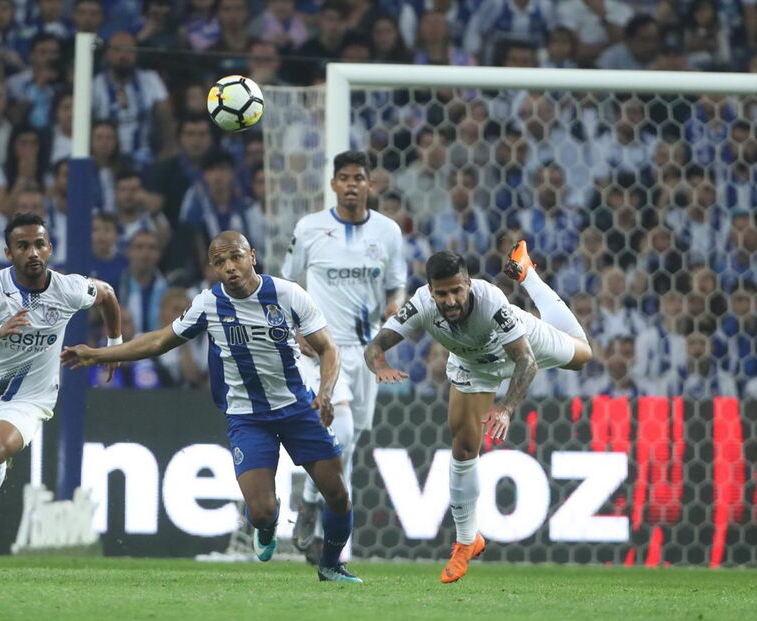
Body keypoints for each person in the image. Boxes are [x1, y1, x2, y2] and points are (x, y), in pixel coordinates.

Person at [61, 231, 362, 583]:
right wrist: (97, 354)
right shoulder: (209, 304)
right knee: (262, 512)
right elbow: (159, 341)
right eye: (220, 262)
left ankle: (330, 565)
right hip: (248, 418)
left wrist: (324, 393)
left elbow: (328, 348)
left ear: (251, 255)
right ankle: (267, 522)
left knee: (338, 495)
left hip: (298, 408)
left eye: (235, 257)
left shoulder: (286, 293)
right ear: (212, 268)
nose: (229, 267)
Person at [363, 244, 592, 584]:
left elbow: (526, 362)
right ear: (430, 291)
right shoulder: (421, 305)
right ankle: (467, 541)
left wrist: (506, 408)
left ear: (468, 284)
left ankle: (527, 273)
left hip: (519, 346)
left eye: (457, 290)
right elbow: (375, 346)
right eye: (442, 293)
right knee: (464, 446)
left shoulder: (492, 303)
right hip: (474, 365)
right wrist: (380, 366)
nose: (451, 300)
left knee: (582, 353)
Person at [0, 212, 122, 575]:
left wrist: (115, 345)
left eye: (39, 244)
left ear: (50, 249)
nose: (33, 252)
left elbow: (107, 294)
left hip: (32, 398)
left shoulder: (69, 288)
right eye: (23, 245)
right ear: (9, 252)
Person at [281, 150, 406, 558]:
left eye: (360, 178)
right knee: (344, 430)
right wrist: (294, 327)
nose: (352, 184)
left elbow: (396, 286)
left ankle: (328, 538)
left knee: (349, 444)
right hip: (323, 349)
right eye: (345, 177)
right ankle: (316, 507)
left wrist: (395, 310)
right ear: (333, 184)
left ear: (370, 185)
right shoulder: (310, 228)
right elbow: (286, 284)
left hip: (367, 351)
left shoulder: (388, 232)